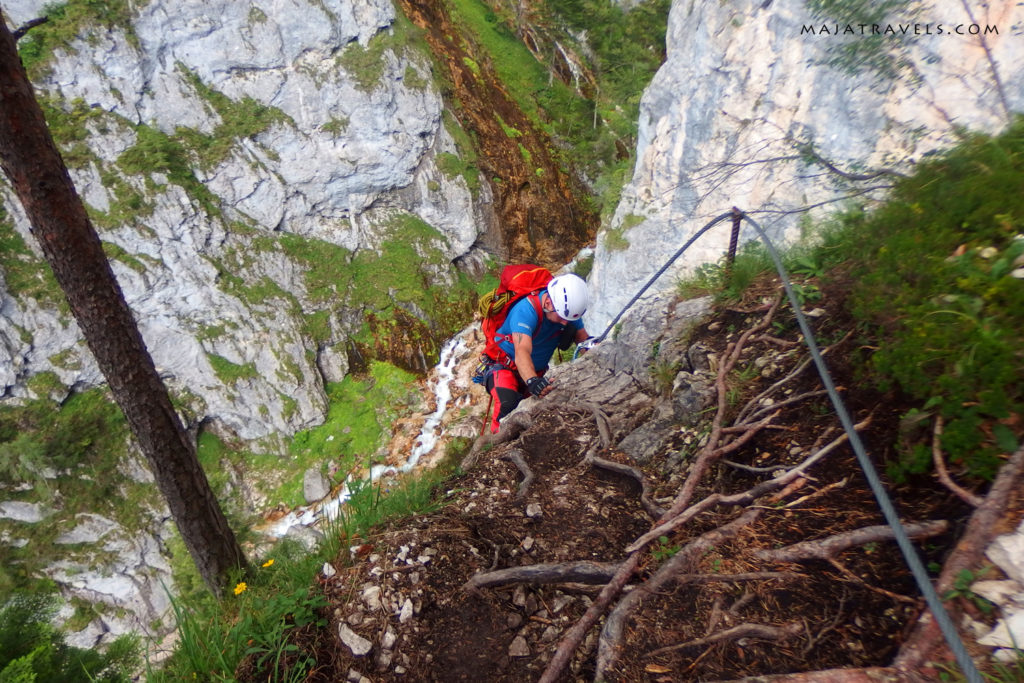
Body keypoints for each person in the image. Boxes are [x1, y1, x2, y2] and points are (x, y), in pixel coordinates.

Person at [483, 273, 590, 433]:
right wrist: (533, 381)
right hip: (504, 366)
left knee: (534, 418)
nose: (565, 323)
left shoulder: (565, 311)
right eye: (562, 318)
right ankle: (494, 446)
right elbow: (522, 351)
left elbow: (583, 340)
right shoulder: (525, 311)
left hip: (535, 371)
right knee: (507, 402)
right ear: (548, 303)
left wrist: (594, 350)